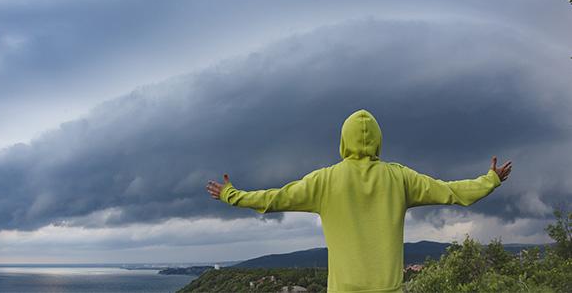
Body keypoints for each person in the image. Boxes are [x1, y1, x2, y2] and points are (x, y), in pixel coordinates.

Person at [206, 109, 512, 293]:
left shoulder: (325, 180)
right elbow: (451, 192)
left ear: (342, 141)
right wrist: (490, 180)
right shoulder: (399, 178)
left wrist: (231, 195)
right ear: (379, 141)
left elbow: (274, 199)